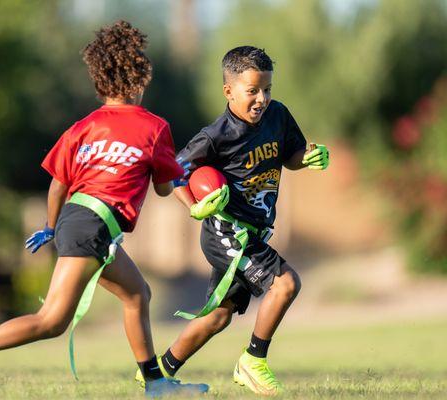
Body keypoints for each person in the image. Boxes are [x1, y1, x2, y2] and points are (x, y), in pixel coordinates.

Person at [0, 20, 208, 398]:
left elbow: (59, 183)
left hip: (79, 221)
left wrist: (52, 225)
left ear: (99, 80)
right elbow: (161, 189)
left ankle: (156, 384)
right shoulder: (154, 127)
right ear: (141, 78)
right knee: (52, 321)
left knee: (137, 294)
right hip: (92, 227)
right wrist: (180, 172)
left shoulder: (84, 126)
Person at [135, 45, 330, 396]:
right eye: (252, 91)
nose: (262, 99)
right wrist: (194, 206)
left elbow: (291, 156)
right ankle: (252, 361)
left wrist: (309, 157)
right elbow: (173, 173)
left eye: (267, 89)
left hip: (253, 232)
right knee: (285, 284)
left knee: (217, 316)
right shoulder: (216, 136)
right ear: (229, 91)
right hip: (228, 232)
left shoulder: (278, 116)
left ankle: (158, 371)